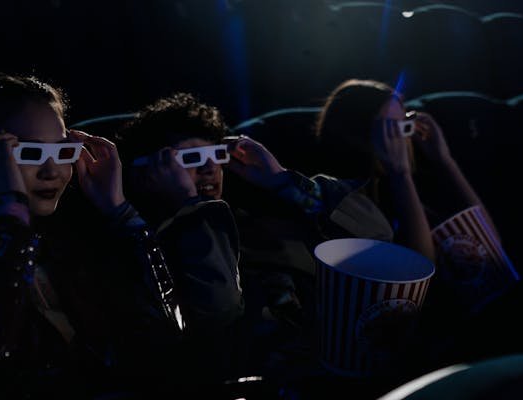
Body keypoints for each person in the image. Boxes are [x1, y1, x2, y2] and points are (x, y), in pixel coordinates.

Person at [0, 73, 186, 399]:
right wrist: (11, 211)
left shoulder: (75, 242)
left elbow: (169, 338)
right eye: (30, 153)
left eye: (62, 152)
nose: (52, 171)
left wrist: (120, 212)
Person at [114, 92, 394, 387]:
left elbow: (378, 237)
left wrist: (281, 181)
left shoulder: (257, 219)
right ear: (144, 173)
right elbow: (218, 312)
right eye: (191, 158)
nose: (210, 169)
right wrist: (189, 207)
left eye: (216, 156)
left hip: (336, 367)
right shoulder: (148, 255)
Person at [313, 78, 523, 371]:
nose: (402, 138)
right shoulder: (345, 202)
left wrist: (445, 161)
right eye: (391, 128)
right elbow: (421, 272)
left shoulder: (409, 187)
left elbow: (490, 250)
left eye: (405, 124)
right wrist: (401, 175)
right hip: (420, 350)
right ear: (358, 134)